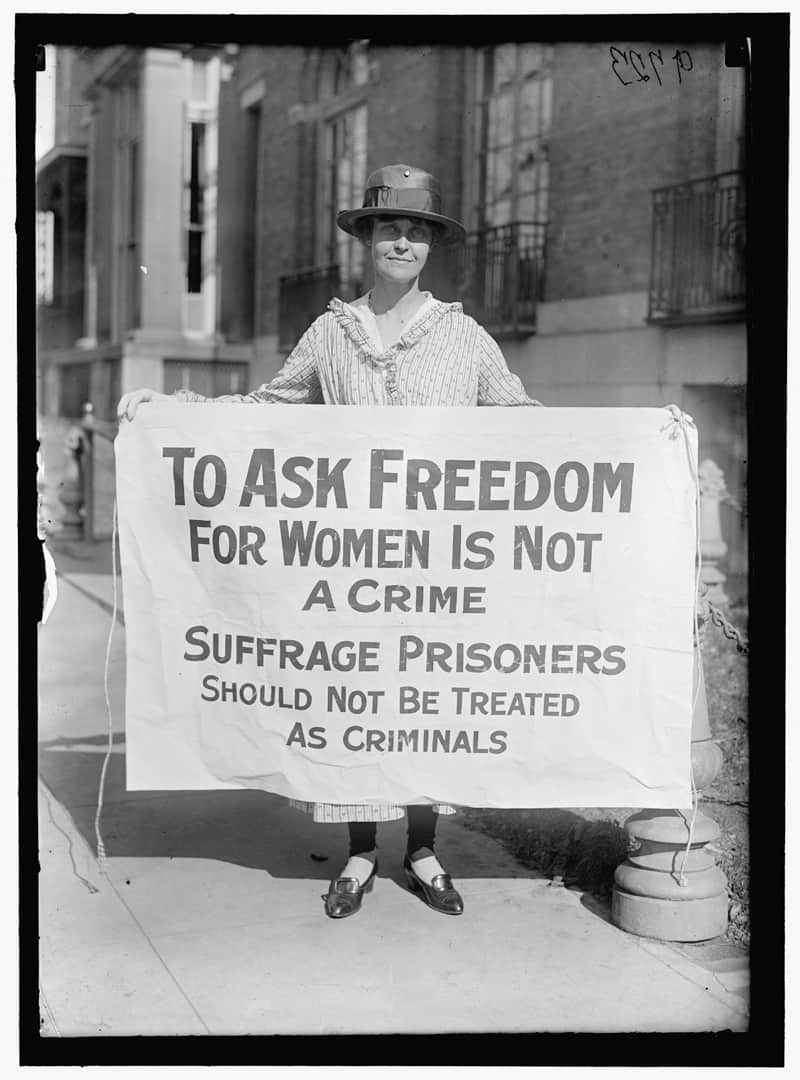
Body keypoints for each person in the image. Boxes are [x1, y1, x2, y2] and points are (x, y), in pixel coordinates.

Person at [118, 163, 542, 920]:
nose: (402, 242)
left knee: (424, 705)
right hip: (348, 564)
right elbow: (263, 408)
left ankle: (422, 850)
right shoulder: (332, 332)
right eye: (389, 228)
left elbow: (522, 422)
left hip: (437, 565)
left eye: (416, 230)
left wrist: (636, 442)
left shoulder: (465, 336)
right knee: (356, 702)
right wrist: (169, 411)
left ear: (431, 244)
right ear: (368, 239)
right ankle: (358, 853)